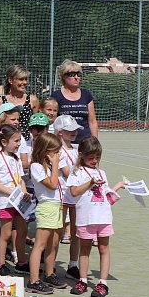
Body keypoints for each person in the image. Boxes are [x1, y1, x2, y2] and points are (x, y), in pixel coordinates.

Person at [66, 137, 124, 297]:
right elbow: (74, 192)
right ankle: (83, 280)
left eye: (97, 157)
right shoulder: (76, 171)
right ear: (81, 155)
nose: (94, 161)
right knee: (84, 249)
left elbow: (105, 195)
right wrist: (91, 182)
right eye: (91, 157)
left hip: (103, 217)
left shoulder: (101, 172)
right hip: (86, 217)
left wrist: (117, 187)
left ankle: (102, 283)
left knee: (104, 248)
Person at [28, 132, 67, 295]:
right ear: (46, 152)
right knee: (40, 245)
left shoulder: (51, 166)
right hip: (47, 207)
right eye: (55, 151)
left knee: (54, 243)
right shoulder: (36, 166)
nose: (58, 155)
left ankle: (49, 274)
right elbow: (51, 185)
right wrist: (56, 165)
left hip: (57, 206)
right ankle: (33, 280)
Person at [0, 124, 30, 277]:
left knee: (22, 231)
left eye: (19, 140)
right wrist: (11, 191)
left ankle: (21, 263)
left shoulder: (16, 158)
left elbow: (21, 179)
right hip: (4, 203)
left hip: (18, 202)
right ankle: (0, 263)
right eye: (16, 141)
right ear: (4, 142)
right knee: (5, 234)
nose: (19, 144)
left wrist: (24, 192)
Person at [53, 115, 82, 278]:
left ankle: (73, 265)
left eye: (75, 129)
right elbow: (67, 173)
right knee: (57, 232)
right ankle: (52, 265)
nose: (74, 132)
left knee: (76, 233)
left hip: (77, 196)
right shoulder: (57, 151)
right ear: (59, 132)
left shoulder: (78, 149)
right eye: (69, 130)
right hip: (62, 195)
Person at [51, 60, 98, 143]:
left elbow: (92, 122)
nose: (76, 77)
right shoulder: (56, 96)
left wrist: (95, 142)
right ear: (64, 76)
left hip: (85, 143)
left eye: (78, 74)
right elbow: (52, 121)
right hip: (63, 143)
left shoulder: (86, 95)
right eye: (72, 74)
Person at [0, 65, 39, 139]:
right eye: (21, 79)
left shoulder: (33, 100)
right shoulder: (1, 101)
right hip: (7, 141)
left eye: (26, 79)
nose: (24, 82)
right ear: (10, 80)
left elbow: (36, 125)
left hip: (27, 141)